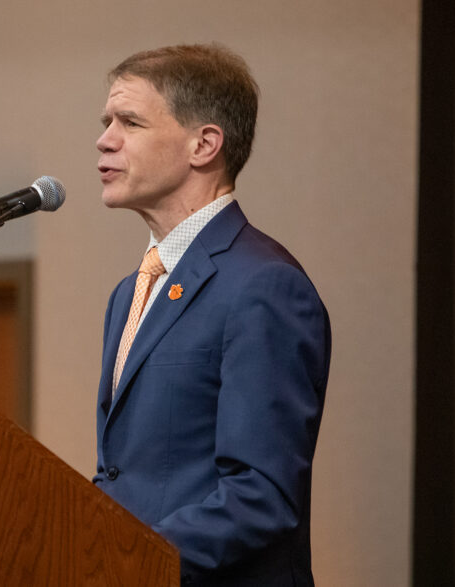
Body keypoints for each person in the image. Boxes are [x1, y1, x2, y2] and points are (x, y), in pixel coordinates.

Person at [92, 44, 331, 586]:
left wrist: (126, 561)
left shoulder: (264, 285)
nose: (105, 139)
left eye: (130, 122)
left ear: (204, 145)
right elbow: (124, 475)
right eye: (107, 122)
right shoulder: (129, 293)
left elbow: (262, 494)